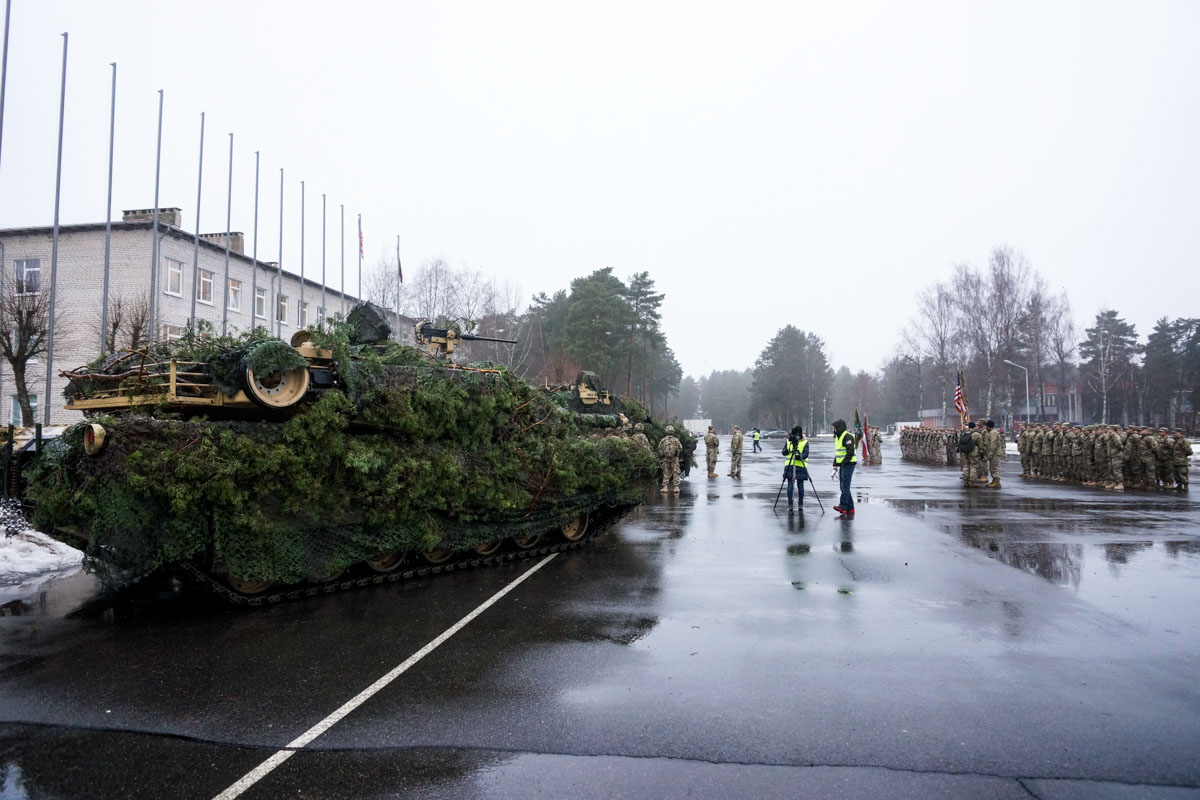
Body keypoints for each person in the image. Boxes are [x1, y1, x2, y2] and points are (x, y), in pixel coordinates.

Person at [831, 418, 859, 515]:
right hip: (843, 464)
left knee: (845, 486)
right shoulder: (838, 437)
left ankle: (843, 506)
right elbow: (838, 452)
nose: (834, 430)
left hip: (849, 464)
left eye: (835, 428)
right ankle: (850, 508)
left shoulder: (847, 436)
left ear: (839, 428)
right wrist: (835, 463)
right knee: (843, 486)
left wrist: (843, 463)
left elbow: (850, 452)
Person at [781, 425, 809, 510]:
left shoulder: (804, 442)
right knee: (791, 485)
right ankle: (791, 504)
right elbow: (783, 452)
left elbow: (805, 454)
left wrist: (799, 456)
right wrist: (786, 451)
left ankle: (800, 504)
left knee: (799, 485)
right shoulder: (790, 441)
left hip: (799, 466)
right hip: (791, 465)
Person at [657, 425, 683, 494]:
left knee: (666, 472)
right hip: (675, 458)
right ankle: (676, 487)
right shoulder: (676, 440)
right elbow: (680, 448)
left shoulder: (663, 440)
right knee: (676, 472)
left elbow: (660, 449)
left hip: (665, 458)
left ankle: (665, 487)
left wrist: (662, 456)